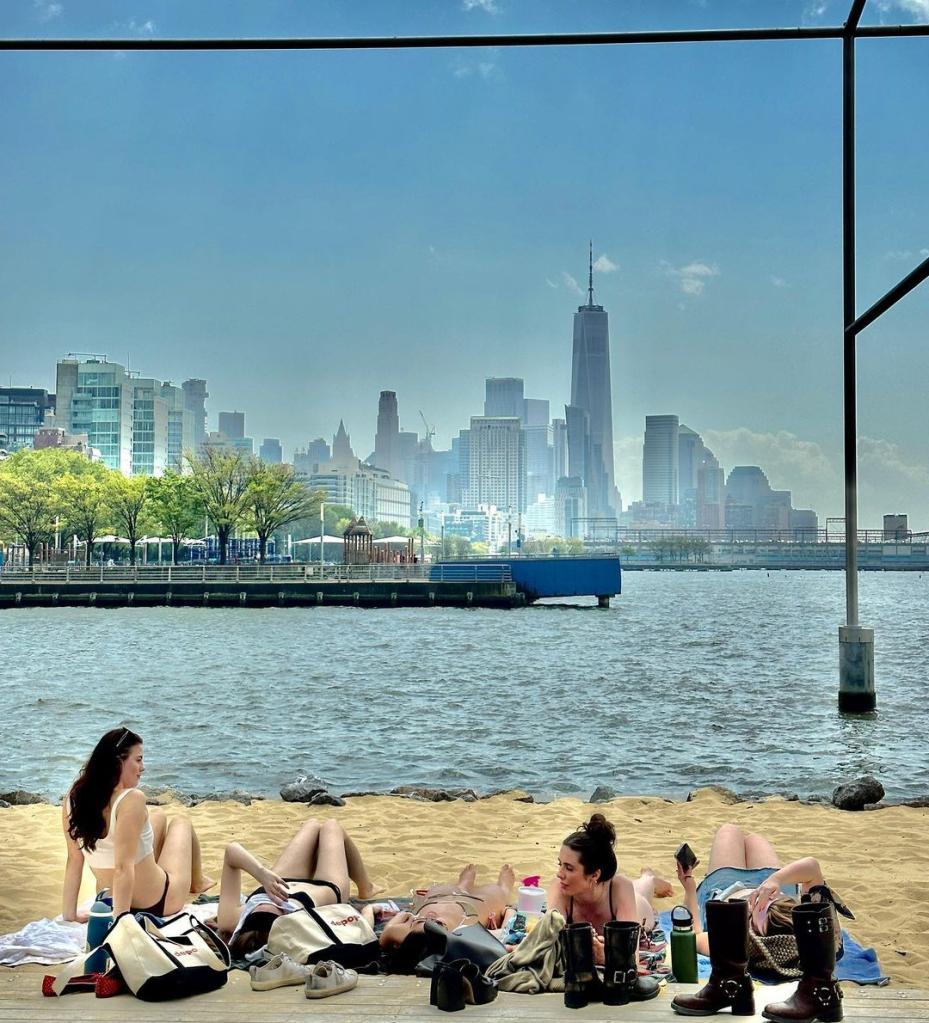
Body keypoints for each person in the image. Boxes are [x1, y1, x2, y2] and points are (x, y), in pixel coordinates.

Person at [62, 727, 213, 921]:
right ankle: (197, 882)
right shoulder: (131, 799)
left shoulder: (73, 799)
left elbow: (74, 860)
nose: (143, 768)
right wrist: (121, 923)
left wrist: (70, 915)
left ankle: (157, 872)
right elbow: (123, 868)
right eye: (138, 759)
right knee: (180, 822)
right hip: (158, 902)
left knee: (157, 815)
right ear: (118, 762)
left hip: (109, 898)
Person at [216, 818, 381, 958]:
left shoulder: (230, 920)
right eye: (280, 910)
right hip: (326, 886)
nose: (275, 903)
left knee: (313, 824)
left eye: (259, 907)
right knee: (331, 826)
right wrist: (369, 910)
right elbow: (358, 932)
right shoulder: (303, 929)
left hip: (280, 880)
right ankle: (366, 887)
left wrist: (261, 874)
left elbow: (231, 851)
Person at [676, 822, 828, 956]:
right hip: (769, 877)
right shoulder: (807, 931)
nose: (752, 902)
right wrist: (776, 879)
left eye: (749, 913)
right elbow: (812, 868)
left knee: (729, 830)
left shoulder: (732, 944)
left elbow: (693, 937)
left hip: (724, 886)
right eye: (771, 901)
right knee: (754, 839)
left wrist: (689, 889)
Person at [547, 813, 671, 965]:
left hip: (639, 908)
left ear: (594, 874)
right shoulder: (559, 887)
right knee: (638, 888)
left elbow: (631, 956)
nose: (559, 874)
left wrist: (604, 957)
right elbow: (548, 941)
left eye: (569, 868)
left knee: (642, 889)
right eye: (560, 864)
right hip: (610, 896)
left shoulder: (620, 887)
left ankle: (649, 877)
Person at [376, 863, 515, 972]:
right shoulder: (462, 937)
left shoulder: (400, 932)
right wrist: (509, 912)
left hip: (438, 898)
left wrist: (407, 916)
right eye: (437, 923)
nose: (428, 919)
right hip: (472, 907)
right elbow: (504, 935)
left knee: (443, 887)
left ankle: (464, 884)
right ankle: (504, 886)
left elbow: (386, 935)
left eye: (420, 922)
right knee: (497, 892)